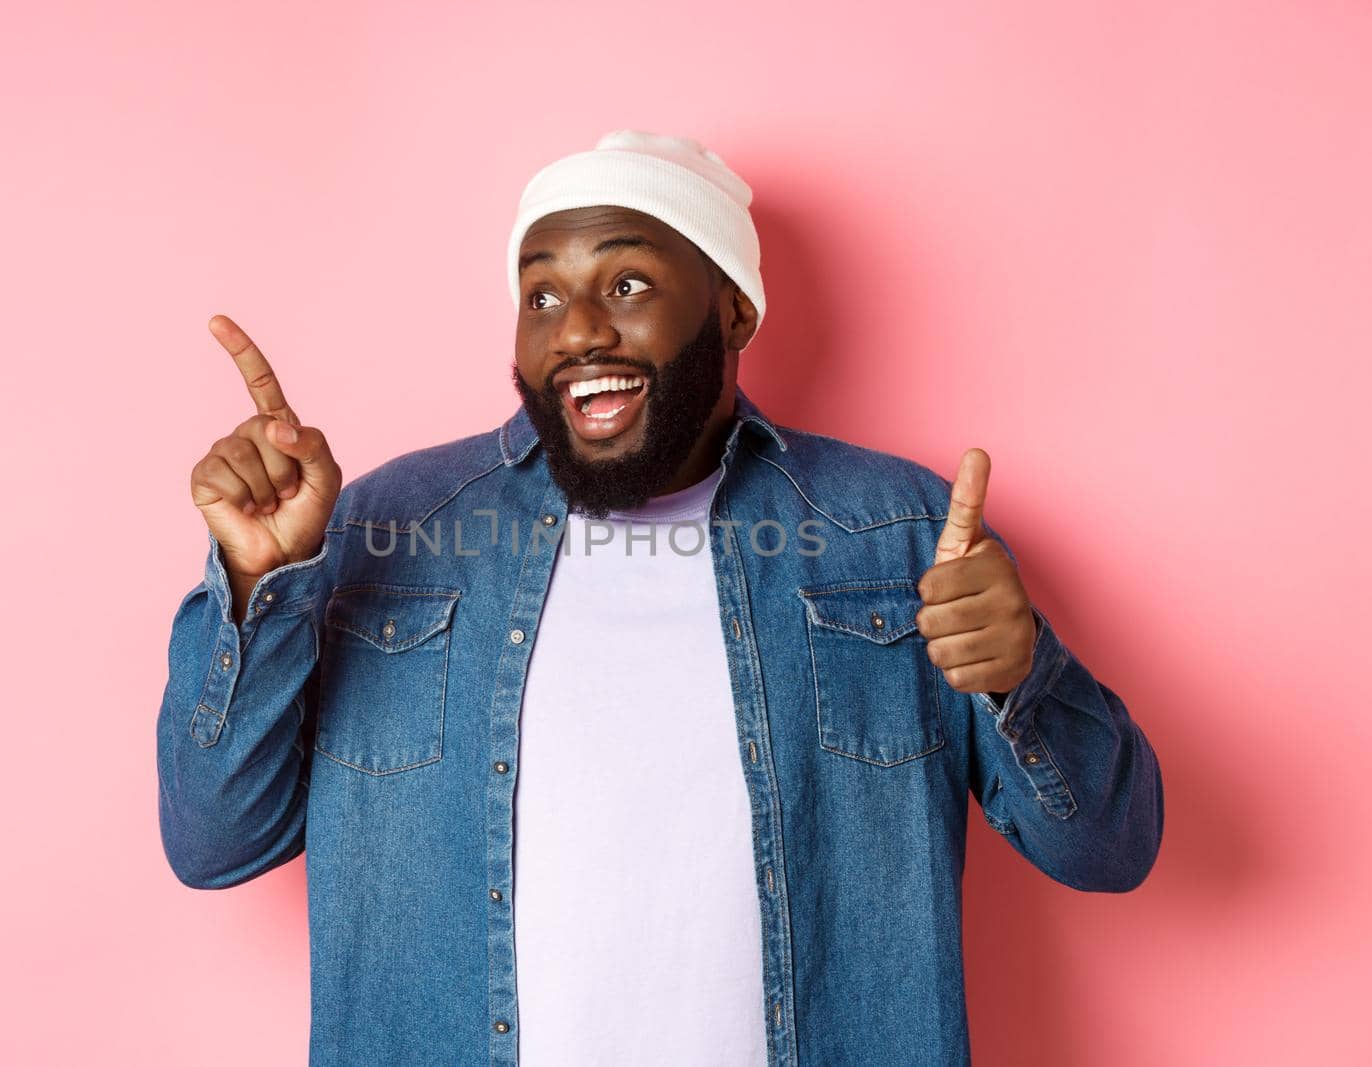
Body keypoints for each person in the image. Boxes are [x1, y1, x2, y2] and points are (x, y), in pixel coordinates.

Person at [156, 129, 1163, 1066]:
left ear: (731, 307)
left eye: (627, 282)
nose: (578, 330)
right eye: (540, 294)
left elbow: (1109, 848)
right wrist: (258, 585)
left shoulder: (897, 532)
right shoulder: (393, 529)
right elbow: (213, 842)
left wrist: (1023, 669)